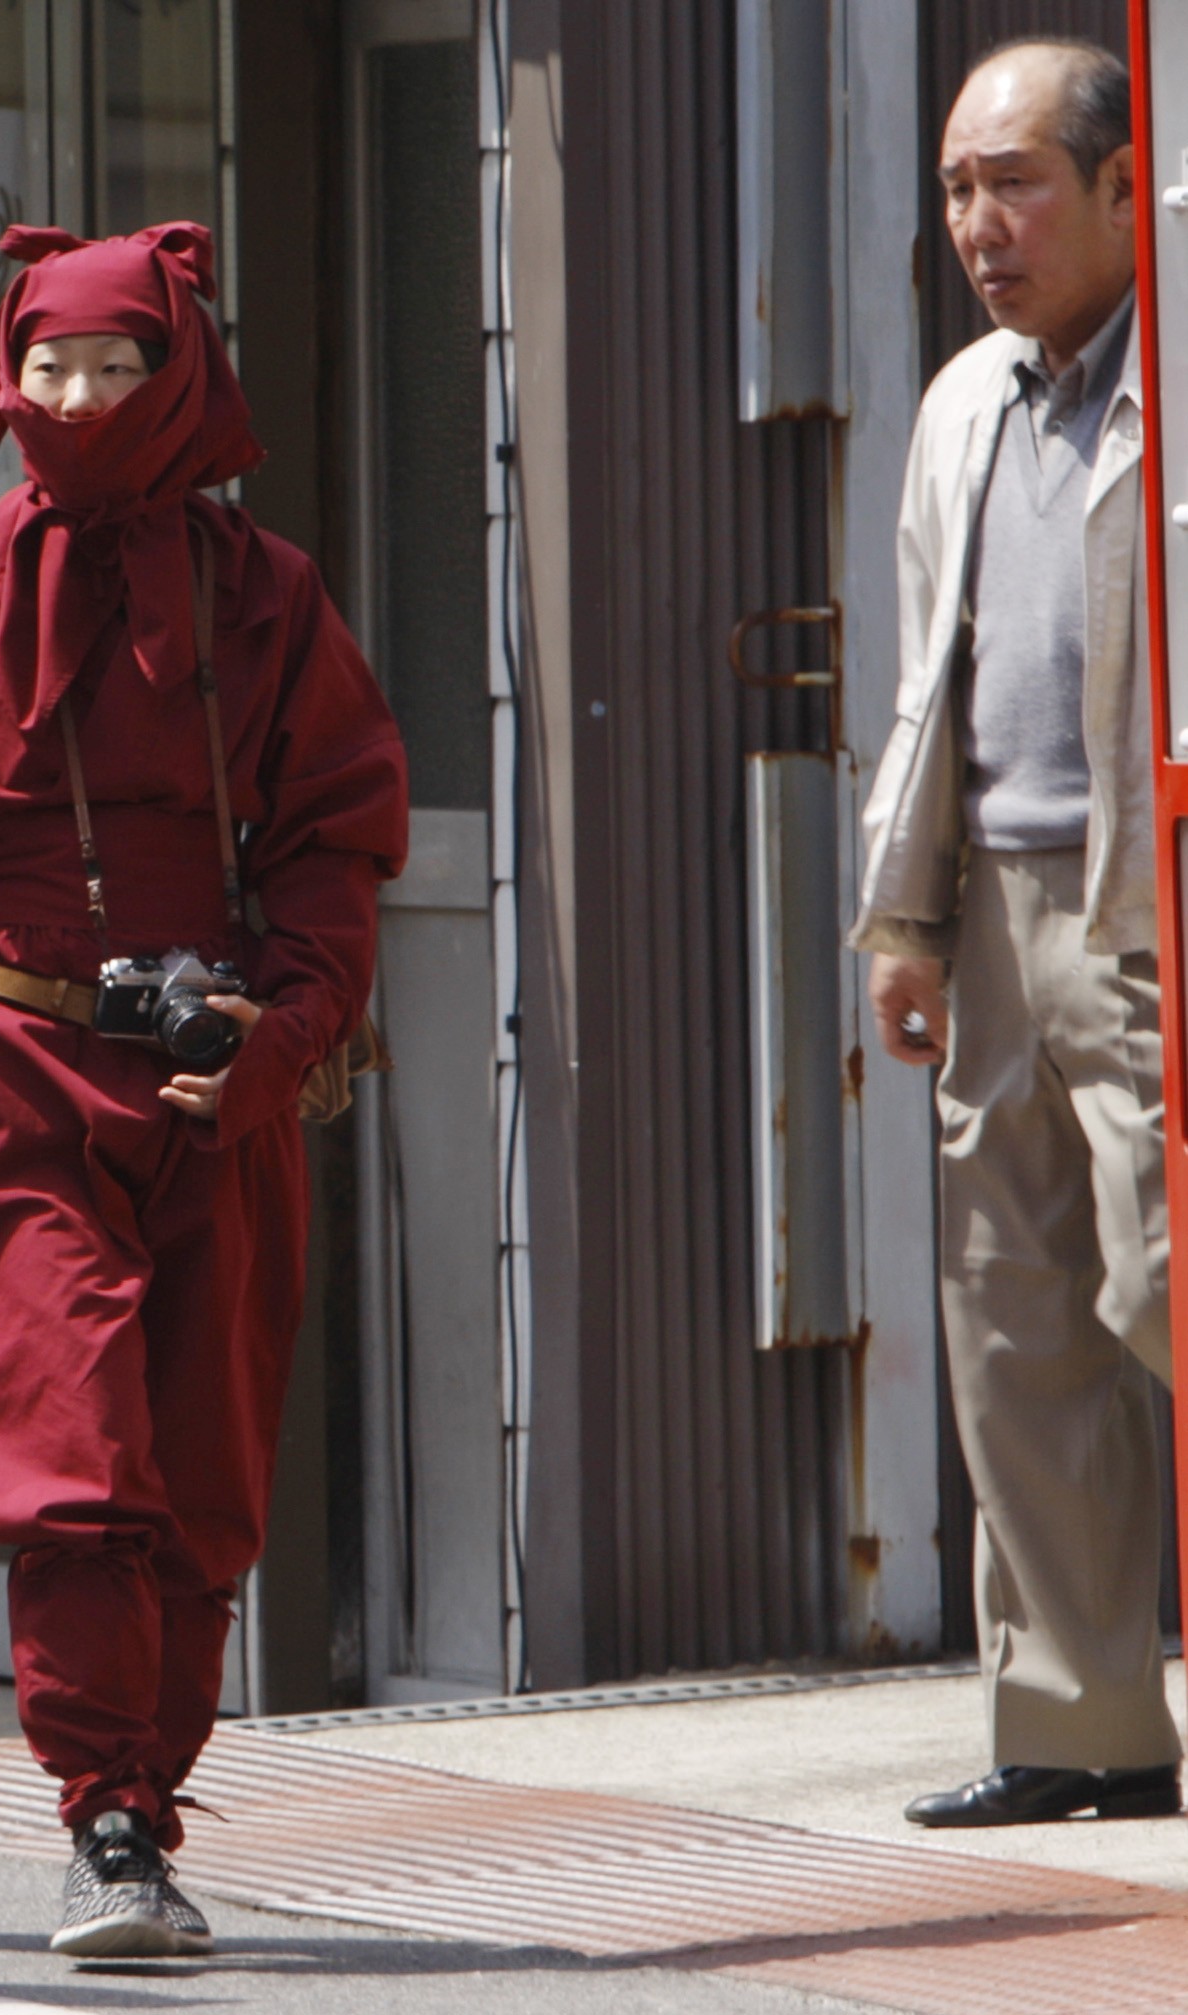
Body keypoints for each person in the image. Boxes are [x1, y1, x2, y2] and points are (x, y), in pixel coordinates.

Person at [0, 222, 406, 1957]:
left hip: (220, 1083)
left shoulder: (269, 595)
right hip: (9, 1069)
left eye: (121, 368)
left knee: (199, 1483)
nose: (82, 398)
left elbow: (337, 849)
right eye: (50, 368)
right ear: (4, 378)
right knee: (73, 1466)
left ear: (182, 374)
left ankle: (152, 1801)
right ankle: (106, 1819)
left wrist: (284, 1031)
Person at [857, 39, 1180, 1828]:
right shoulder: (967, 397)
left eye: (1020, 183)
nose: (982, 226)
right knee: (1014, 1318)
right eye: (961, 189)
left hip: (1156, 905)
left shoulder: (1181, 380)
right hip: (997, 900)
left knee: (1167, 1293)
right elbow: (931, 683)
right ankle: (1083, 1728)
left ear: (1130, 187)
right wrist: (903, 915)